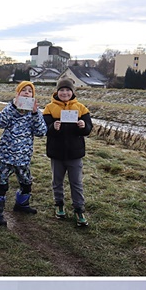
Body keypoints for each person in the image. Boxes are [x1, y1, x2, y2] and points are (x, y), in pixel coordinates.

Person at [0, 81, 47, 226]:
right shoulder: (10, 109)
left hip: (23, 157)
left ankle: (21, 204)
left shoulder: (34, 113)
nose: (27, 93)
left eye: (30, 91)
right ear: (18, 94)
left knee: (26, 182)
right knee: (2, 184)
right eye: (24, 90)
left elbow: (41, 132)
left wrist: (35, 113)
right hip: (6, 156)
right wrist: (13, 107)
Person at [43, 78, 93, 227]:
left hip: (75, 153)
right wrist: (53, 127)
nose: (65, 93)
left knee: (76, 183)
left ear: (72, 92)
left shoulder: (81, 108)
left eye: (68, 90)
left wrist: (83, 126)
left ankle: (79, 209)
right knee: (57, 181)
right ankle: (59, 205)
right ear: (57, 92)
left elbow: (88, 129)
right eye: (62, 90)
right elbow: (44, 129)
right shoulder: (49, 108)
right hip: (56, 152)